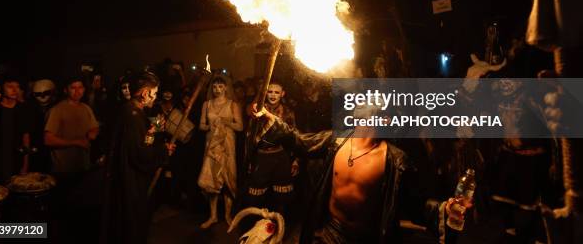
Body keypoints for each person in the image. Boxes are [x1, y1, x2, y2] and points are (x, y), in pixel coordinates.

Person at [251, 103, 470, 244]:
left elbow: (414, 204)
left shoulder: (396, 161)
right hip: (329, 232)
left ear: (383, 120)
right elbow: (300, 142)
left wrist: (445, 209)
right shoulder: (336, 141)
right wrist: (270, 118)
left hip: (368, 237)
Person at [101, 71, 174, 244]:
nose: (155, 97)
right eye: (154, 93)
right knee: (130, 225)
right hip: (129, 181)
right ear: (144, 93)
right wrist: (163, 150)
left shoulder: (135, 112)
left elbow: (142, 142)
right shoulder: (131, 116)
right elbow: (139, 154)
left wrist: (152, 131)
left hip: (129, 180)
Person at [244, 80, 298, 216]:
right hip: (261, 157)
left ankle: (278, 227)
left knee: (281, 199)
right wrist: (250, 160)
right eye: (270, 91)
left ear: (282, 94)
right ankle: (259, 229)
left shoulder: (288, 112)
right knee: (256, 198)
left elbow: (294, 136)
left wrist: (296, 160)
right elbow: (250, 137)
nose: (273, 95)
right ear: (265, 93)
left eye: (277, 92)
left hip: (281, 157)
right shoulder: (258, 110)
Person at [198, 75, 244, 228]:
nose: (217, 89)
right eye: (214, 86)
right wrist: (209, 127)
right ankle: (213, 216)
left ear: (226, 88)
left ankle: (228, 215)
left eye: (220, 86)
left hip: (227, 147)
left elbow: (240, 127)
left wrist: (225, 121)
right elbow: (201, 126)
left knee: (227, 180)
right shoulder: (207, 104)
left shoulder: (233, 105)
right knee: (212, 180)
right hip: (212, 146)